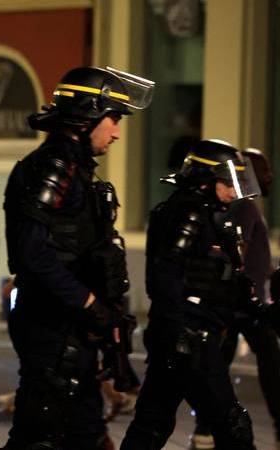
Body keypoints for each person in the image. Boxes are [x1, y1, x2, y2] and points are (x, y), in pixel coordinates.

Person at [1, 66, 154, 450]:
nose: (117, 132)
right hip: (52, 326)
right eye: (114, 119)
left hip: (71, 328)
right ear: (88, 115)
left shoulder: (76, 169)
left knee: (84, 434)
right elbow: (32, 252)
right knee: (39, 435)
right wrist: (88, 303)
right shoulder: (55, 167)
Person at [121, 139, 261, 450]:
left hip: (178, 334)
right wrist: (182, 331)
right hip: (191, 335)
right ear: (205, 180)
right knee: (233, 426)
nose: (233, 192)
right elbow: (166, 274)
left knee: (151, 424)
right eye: (227, 183)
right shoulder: (189, 213)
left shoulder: (201, 213)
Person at [186, 147, 280, 450]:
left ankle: (204, 431)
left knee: (218, 367)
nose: (270, 176)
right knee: (270, 368)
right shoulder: (246, 207)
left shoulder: (239, 206)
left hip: (236, 303)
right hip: (245, 305)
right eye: (264, 169)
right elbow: (238, 253)